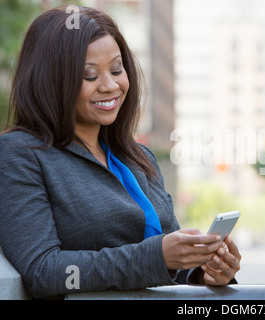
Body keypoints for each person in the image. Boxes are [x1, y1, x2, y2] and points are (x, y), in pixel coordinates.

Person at [0, 6, 241, 299]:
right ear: (51, 80)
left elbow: (167, 267)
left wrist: (204, 272)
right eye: (89, 76)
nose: (111, 85)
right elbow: (42, 270)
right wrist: (157, 257)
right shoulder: (20, 154)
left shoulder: (138, 157)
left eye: (117, 69)